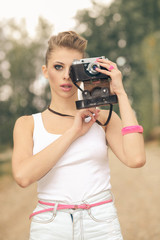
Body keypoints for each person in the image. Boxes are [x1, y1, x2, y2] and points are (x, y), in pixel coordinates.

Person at [12, 31, 146, 240]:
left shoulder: (102, 118)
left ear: (84, 72)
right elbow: (23, 176)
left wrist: (120, 92)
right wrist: (74, 132)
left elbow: (136, 159)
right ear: (46, 71)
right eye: (58, 67)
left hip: (101, 222)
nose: (66, 75)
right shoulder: (27, 123)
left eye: (74, 68)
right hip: (49, 224)